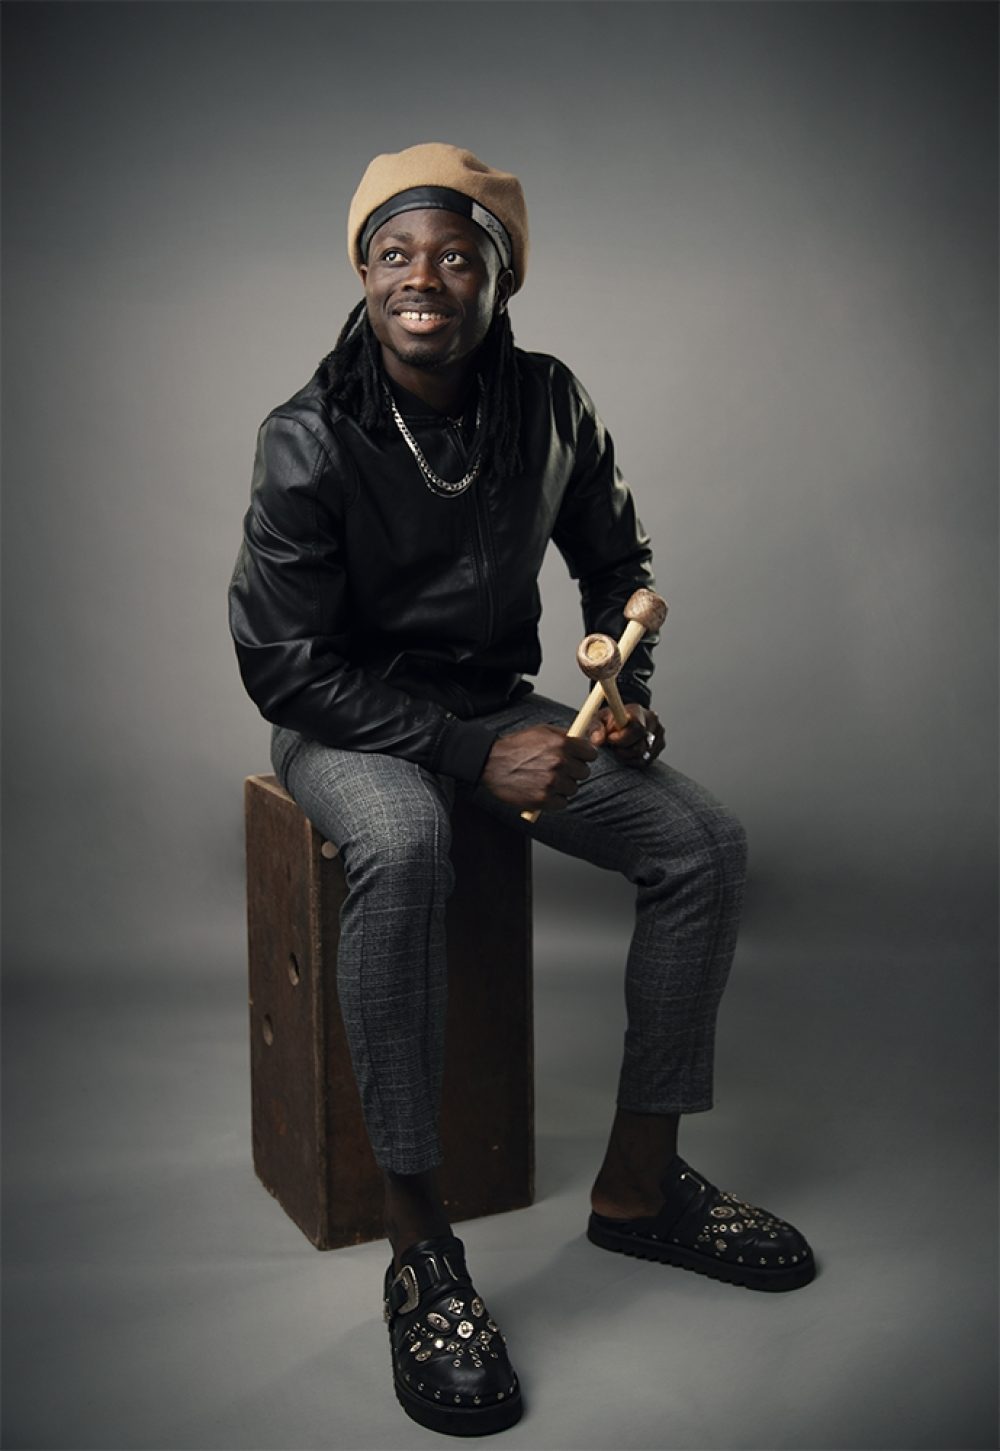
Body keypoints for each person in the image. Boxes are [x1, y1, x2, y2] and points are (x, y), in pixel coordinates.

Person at [228, 142, 813, 1438]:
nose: (420, 279)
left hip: (498, 706)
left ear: (501, 281)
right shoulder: (307, 436)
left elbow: (620, 560)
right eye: (393, 254)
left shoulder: (548, 402)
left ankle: (640, 1186)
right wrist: (465, 753)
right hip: (346, 720)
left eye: (455, 256)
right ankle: (418, 1240)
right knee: (405, 845)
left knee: (703, 845)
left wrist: (624, 686)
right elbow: (282, 665)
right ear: (362, 274)